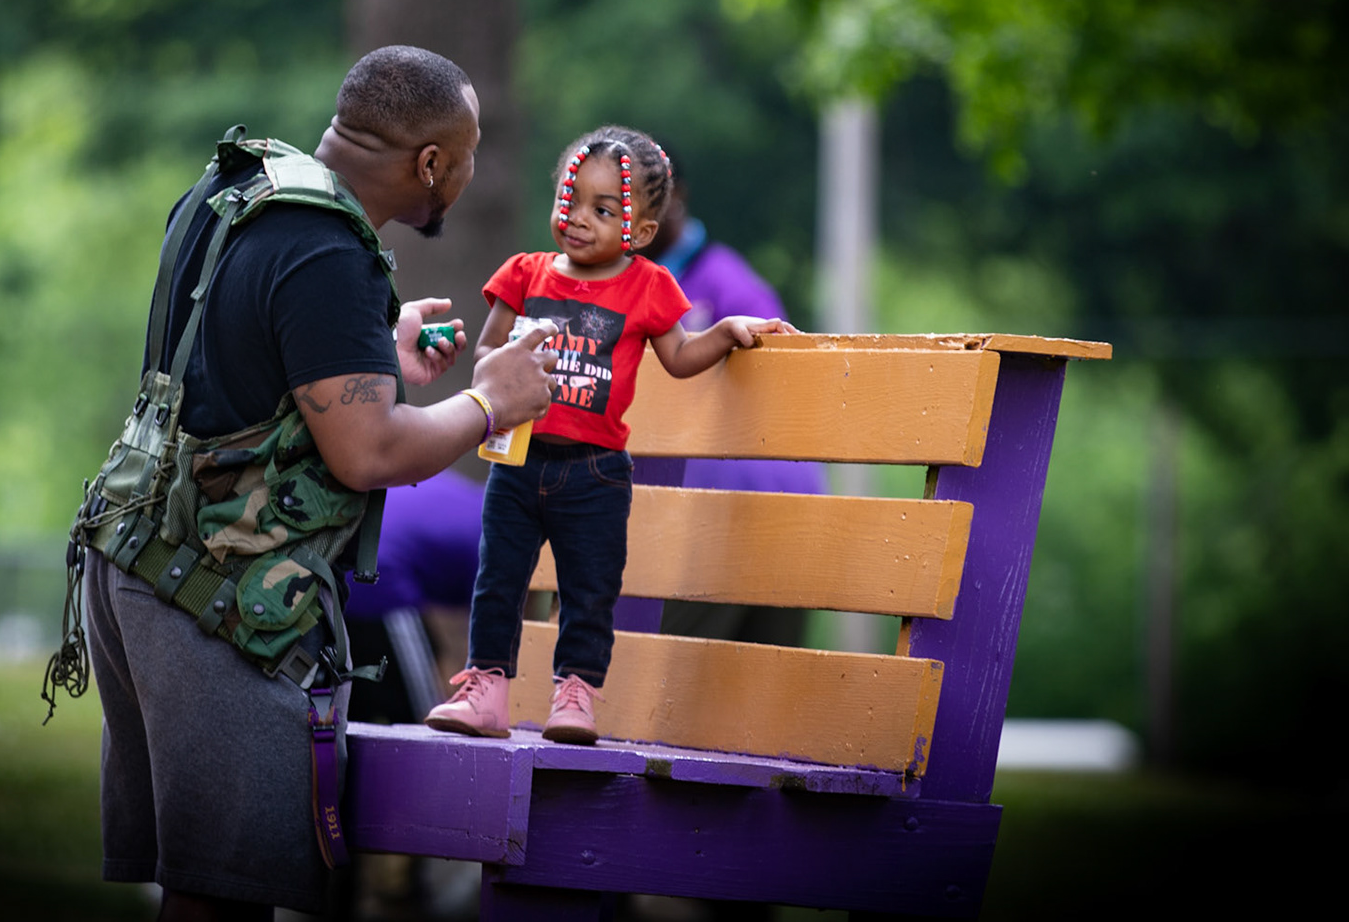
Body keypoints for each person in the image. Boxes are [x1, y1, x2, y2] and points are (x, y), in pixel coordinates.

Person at [82, 45, 559, 922]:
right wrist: (494, 400)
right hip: (218, 603)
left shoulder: (238, 189)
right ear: (430, 163)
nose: (471, 170)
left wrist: (368, 350)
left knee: (198, 892)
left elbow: (242, 364)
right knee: (221, 903)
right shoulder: (329, 250)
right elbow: (369, 453)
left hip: (135, 567)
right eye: (470, 153)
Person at [424, 125, 794, 745]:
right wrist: (508, 354)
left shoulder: (648, 287)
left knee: (588, 589)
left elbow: (677, 357)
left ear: (643, 231)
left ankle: (576, 694)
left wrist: (726, 329)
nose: (578, 219)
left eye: (602, 209)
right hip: (518, 462)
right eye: (569, 201)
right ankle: (486, 688)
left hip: (594, 473)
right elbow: (487, 350)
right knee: (498, 580)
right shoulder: (525, 273)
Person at [640, 144, 825, 648]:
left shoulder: (729, 284)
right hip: (691, 508)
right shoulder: (626, 282)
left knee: (686, 672)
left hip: (751, 504)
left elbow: (785, 381)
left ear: (676, 196)